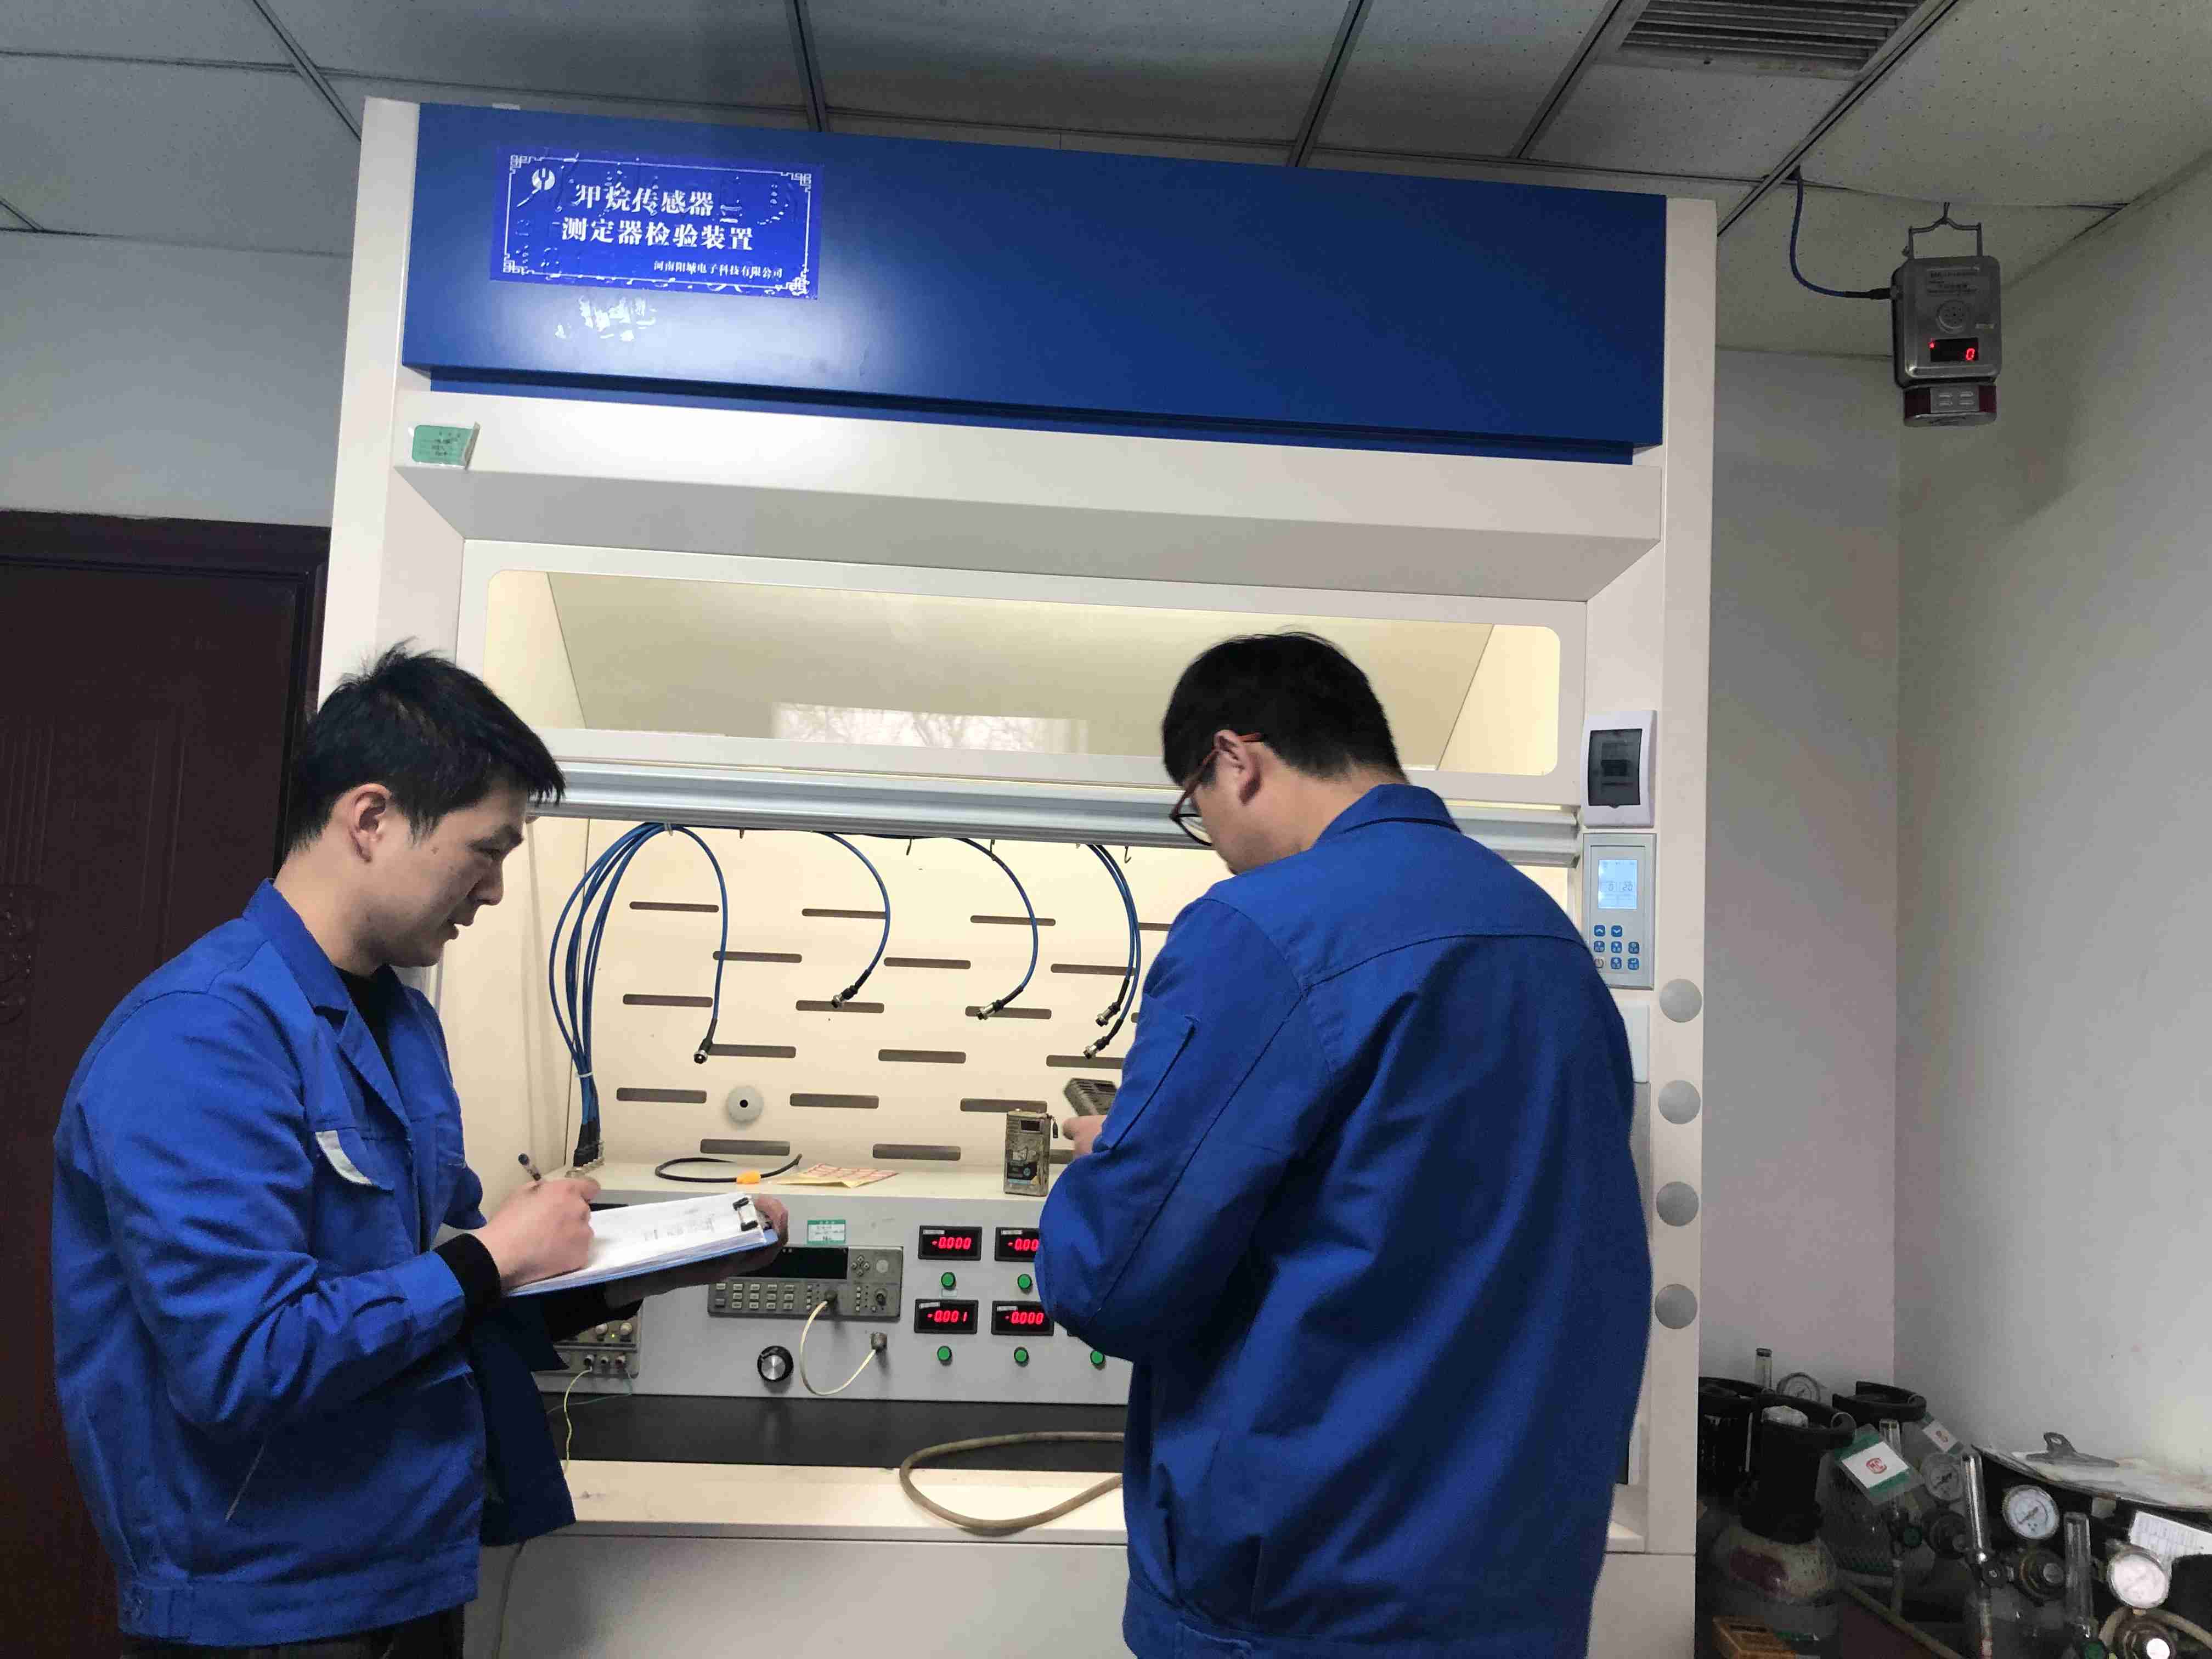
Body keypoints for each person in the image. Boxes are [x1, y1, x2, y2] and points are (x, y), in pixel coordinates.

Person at [51, 646, 785, 1656]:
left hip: (404, 1567)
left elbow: (445, 1299)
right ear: (371, 819)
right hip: (262, 1607)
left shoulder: (400, 1026)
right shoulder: (201, 1034)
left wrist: (638, 1269)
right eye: (485, 850)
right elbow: (245, 1362)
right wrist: (494, 1256)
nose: (493, 891)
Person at [1038, 632, 1650, 1659]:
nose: (1215, 843)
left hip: (1305, 1596)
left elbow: (1113, 1283)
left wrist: (1114, 1161)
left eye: (1197, 809)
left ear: (1237, 760)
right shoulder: (1546, 935)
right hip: (1518, 1589)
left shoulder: (1262, 928)